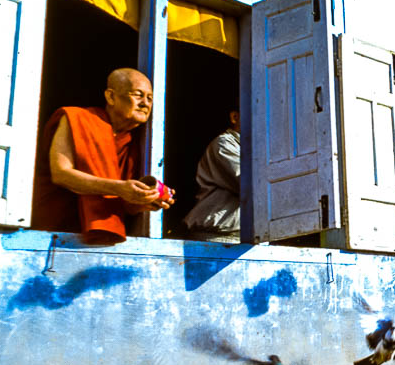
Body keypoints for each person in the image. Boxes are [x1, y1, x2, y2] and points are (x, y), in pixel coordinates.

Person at [32, 68, 174, 242]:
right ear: (111, 97)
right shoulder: (77, 119)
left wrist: (143, 201)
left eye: (150, 98)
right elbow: (61, 174)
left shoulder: (133, 143)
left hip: (98, 240)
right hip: (51, 232)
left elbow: (122, 202)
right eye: (138, 95)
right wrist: (119, 188)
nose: (145, 103)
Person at [183, 108, 241, 241]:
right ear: (234, 117)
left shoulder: (257, 150)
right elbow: (253, 185)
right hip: (219, 237)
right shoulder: (224, 143)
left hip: (242, 238)